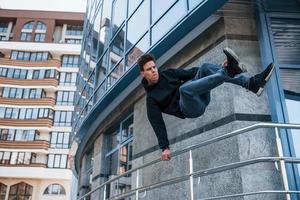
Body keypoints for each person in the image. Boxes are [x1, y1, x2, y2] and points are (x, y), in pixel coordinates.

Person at [138, 48, 275, 161]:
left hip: (200, 95)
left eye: (154, 67)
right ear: (143, 73)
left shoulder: (167, 74)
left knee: (203, 67)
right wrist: (165, 147)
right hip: (190, 109)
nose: (154, 70)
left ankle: (251, 83)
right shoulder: (151, 99)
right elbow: (157, 124)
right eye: (149, 69)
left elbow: (191, 72)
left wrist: (217, 68)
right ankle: (229, 73)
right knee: (184, 90)